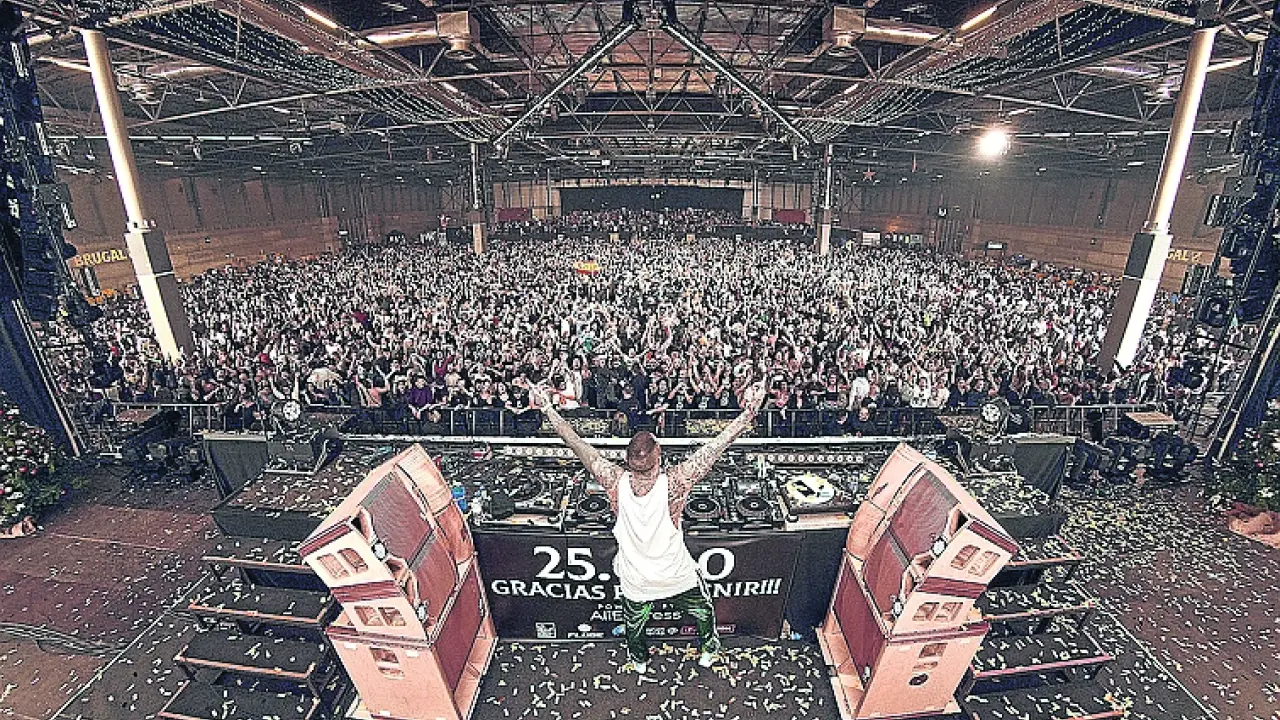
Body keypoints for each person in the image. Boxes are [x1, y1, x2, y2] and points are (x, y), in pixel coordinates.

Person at [531, 380, 769, 673]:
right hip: (676, 576)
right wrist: (748, 413)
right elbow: (715, 447)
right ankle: (708, 651)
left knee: (634, 623)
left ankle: (639, 661)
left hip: (636, 580)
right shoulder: (677, 482)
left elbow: (577, 443)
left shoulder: (613, 481)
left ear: (627, 459)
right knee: (703, 611)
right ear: (659, 456)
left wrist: (547, 408)